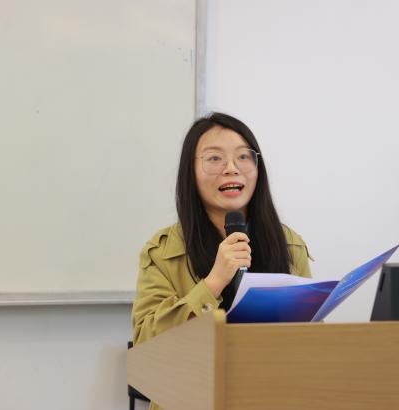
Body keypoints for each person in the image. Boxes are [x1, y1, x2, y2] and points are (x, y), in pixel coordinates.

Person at [132, 112, 313, 348]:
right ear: (190, 171)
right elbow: (145, 341)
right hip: (196, 371)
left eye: (243, 156)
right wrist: (214, 282)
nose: (231, 168)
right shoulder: (163, 251)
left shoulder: (288, 243)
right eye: (215, 158)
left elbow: (310, 337)